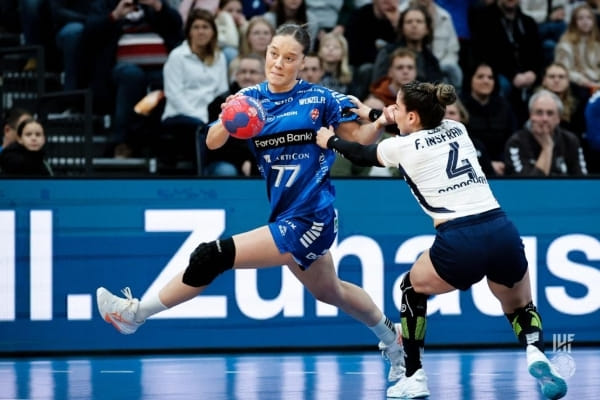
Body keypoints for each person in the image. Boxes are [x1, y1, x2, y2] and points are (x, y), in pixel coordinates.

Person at [96, 23, 406, 384]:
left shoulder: (320, 99)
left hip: (311, 215)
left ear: (302, 62)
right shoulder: (250, 98)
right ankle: (393, 337)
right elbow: (212, 142)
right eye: (274, 53)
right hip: (284, 212)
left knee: (211, 256)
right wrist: (230, 118)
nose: (278, 63)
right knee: (331, 291)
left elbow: (360, 139)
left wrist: (379, 122)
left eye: (289, 58)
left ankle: (134, 315)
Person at [314, 80, 568, 399]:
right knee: (519, 305)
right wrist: (374, 114)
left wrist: (330, 140)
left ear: (412, 117)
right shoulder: (457, 129)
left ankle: (414, 375)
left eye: (398, 107)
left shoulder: (401, 147)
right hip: (501, 229)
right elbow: (415, 130)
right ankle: (536, 352)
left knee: (411, 288)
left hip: (460, 236)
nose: (393, 110)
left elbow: (361, 154)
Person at [161, 8, 229, 170]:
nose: (201, 31)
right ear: (189, 32)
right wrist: (201, 117)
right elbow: (174, 94)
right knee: (199, 129)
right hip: (179, 115)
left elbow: (221, 91)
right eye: (196, 27)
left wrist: (212, 117)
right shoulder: (177, 56)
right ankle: (201, 176)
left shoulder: (219, 57)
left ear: (213, 32)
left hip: (209, 116)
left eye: (205, 27)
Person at [204, 52, 265, 176]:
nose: (247, 76)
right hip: (228, 160)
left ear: (264, 76)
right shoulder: (220, 102)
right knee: (226, 171)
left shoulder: (272, 102)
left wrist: (253, 161)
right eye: (243, 72)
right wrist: (243, 161)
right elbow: (215, 146)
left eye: (253, 72)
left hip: (261, 159)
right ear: (236, 75)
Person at [504, 89, 588, 176]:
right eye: (539, 113)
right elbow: (525, 183)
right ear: (530, 115)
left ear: (558, 118)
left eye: (550, 113)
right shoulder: (516, 143)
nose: (544, 119)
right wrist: (547, 148)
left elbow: (582, 181)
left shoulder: (570, 141)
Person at [461, 61, 517, 176]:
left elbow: (512, 138)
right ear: (470, 80)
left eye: (490, 77)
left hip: (503, 167)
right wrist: (488, 164)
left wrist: (503, 162)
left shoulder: (504, 106)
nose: (486, 81)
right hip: (470, 167)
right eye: (480, 77)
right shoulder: (460, 106)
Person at [554, 3, 600, 103]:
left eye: (589, 18)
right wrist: (583, 81)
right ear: (574, 22)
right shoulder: (565, 44)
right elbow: (563, 70)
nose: (585, 22)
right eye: (580, 18)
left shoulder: (597, 44)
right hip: (576, 84)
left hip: (596, 82)